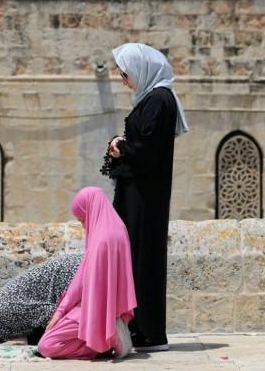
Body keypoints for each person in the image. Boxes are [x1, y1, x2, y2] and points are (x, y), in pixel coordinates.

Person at [105, 43, 189, 352]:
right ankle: (140, 328)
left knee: (145, 261)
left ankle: (151, 333)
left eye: (125, 73)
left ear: (142, 69)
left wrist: (121, 148)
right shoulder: (153, 99)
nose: (122, 79)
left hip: (145, 197)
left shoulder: (159, 100)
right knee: (136, 259)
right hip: (139, 194)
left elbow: (147, 151)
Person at [37, 187, 136, 360]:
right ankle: (106, 338)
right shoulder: (118, 228)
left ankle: (107, 339)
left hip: (92, 309)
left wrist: (59, 313)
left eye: (83, 220)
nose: (84, 227)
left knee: (47, 345)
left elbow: (81, 283)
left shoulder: (101, 240)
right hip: (110, 308)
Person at [0, 253, 82, 345]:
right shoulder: (4, 309)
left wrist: (28, 340)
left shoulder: (7, 310)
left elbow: (55, 316)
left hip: (78, 272)